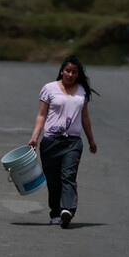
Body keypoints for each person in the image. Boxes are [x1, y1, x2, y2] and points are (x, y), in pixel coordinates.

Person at [28, 56, 98, 229]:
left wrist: (91, 139)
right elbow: (41, 115)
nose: (70, 74)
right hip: (51, 141)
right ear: (62, 71)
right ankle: (55, 213)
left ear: (78, 74)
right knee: (53, 181)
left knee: (68, 176)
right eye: (67, 71)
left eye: (74, 72)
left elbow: (85, 117)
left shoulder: (82, 91)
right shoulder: (49, 89)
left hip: (72, 142)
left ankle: (67, 210)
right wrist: (35, 136)